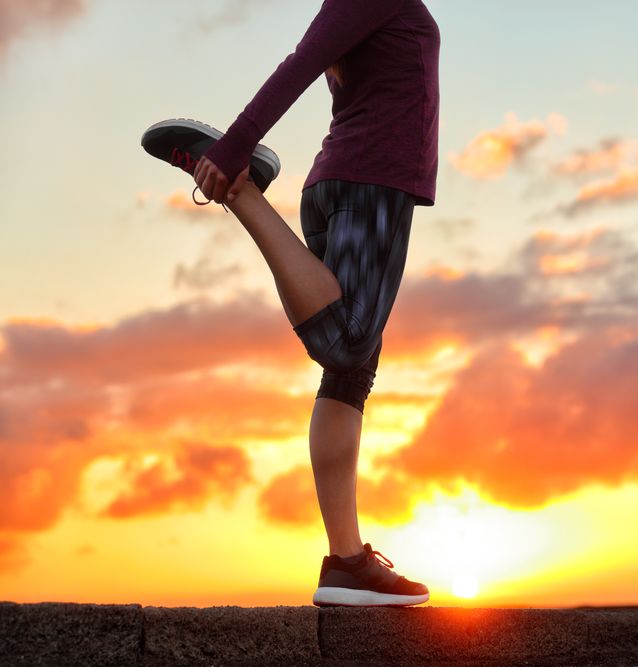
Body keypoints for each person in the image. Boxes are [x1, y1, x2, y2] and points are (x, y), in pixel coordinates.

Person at [139, 0, 440, 607]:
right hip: (372, 181)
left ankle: (348, 563)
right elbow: (304, 62)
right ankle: (243, 193)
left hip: (342, 181)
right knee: (346, 339)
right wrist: (233, 150)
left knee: (349, 372)